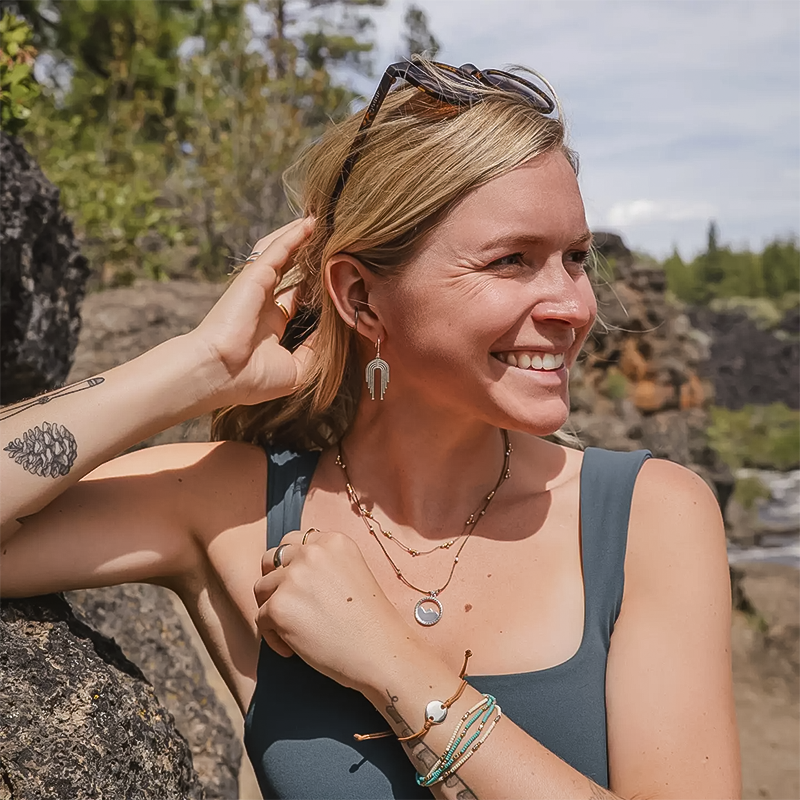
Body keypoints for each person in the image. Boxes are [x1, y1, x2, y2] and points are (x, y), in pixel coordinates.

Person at [0, 58, 740, 799]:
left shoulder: (648, 517)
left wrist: (392, 664)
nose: (575, 306)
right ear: (360, 296)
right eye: (512, 260)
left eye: (575, 258)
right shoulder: (231, 506)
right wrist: (198, 366)